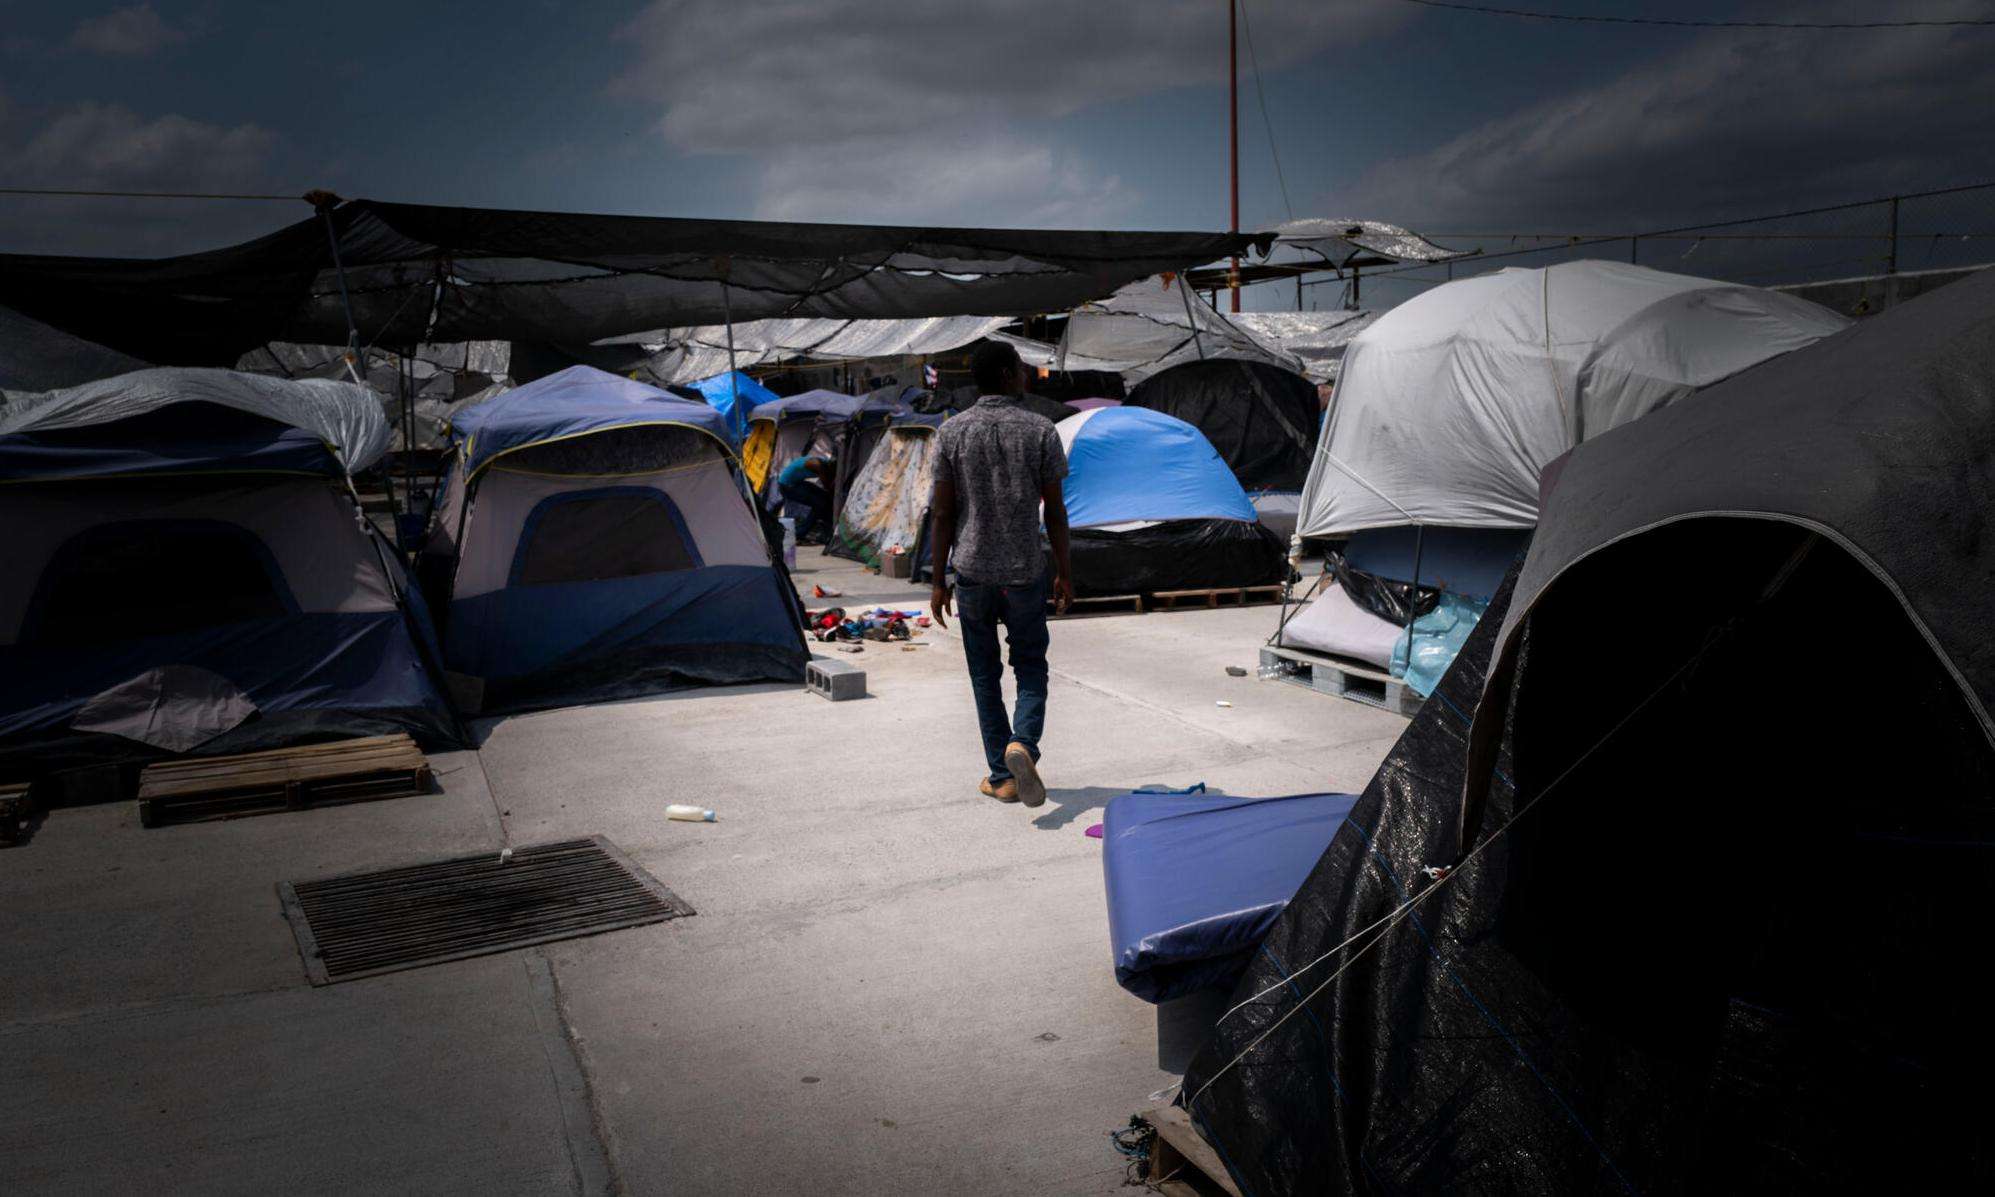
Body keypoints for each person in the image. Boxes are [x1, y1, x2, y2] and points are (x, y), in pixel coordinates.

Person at [928, 341, 1075, 808]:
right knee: (1030, 667)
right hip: (1025, 571)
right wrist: (1064, 572)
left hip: (971, 571)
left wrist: (936, 580)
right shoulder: (1040, 430)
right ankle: (1022, 745)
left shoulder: (951, 433)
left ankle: (1002, 776)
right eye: (1023, 370)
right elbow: (1055, 510)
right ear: (1010, 374)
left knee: (984, 675)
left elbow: (942, 513)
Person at [777, 454, 835, 543]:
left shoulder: (824, 462)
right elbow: (826, 485)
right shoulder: (819, 465)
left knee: (824, 497)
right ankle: (800, 533)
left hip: (797, 483)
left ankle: (827, 526)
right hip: (787, 486)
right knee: (819, 504)